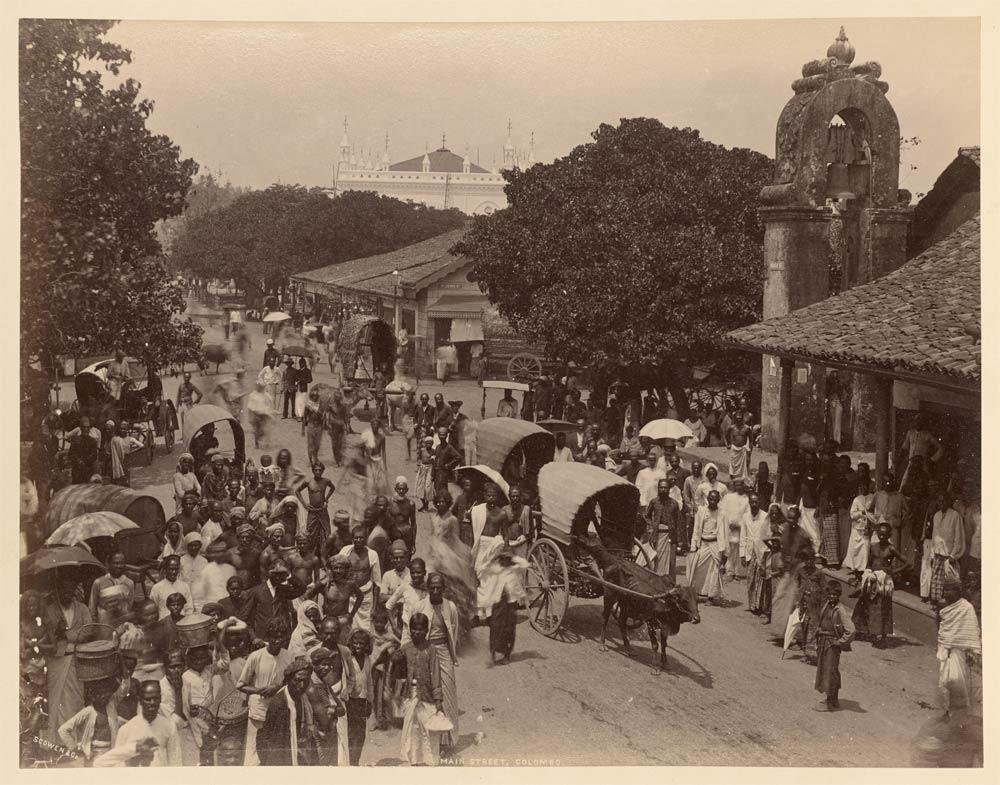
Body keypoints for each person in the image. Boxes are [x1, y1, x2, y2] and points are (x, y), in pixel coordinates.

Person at [391, 613, 448, 765]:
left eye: (421, 629)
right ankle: (414, 759)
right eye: (414, 629)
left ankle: (430, 760)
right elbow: (398, 673)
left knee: (428, 727)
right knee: (412, 727)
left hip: (427, 695)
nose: (417, 632)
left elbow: (436, 674)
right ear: (410, 630)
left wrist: (438, 699)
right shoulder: (405, 648)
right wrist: (395, 659)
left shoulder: (431, 649)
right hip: (410, 693)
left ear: (426, 630)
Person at [237, 618, 293, 765]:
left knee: (275, 752)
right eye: (273, 637)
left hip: (279, 712)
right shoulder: (256, 656)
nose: (277, 641)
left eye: (280, 637)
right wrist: (259, 690)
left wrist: (277, 688)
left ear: (285, 638)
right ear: (268, 637)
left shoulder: (289, 656)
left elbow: (292, 683)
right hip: (259, 711)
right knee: (253, 753)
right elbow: (241, 685)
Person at [92, 681, 182, 767]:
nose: (152, 703)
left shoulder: (169, 726)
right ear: (140, 700)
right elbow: (117, 764)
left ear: (160, 699)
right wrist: (135, 748)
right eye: (148, 699)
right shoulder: (126, 730)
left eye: (155, 698)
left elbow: (176, 762)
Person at [852, 522, 908, 648]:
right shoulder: (872, 546)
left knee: (883, 607)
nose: (882, 536)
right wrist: (866, 575)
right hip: (872, 579)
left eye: (885, 534)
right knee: (866, 604)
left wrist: (892, 571)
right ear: (877, 533)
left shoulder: (891, 549)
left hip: (883, 581)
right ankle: (866, 631)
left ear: (889, 535)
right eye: (880, 534)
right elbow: (869, 563)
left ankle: (882, 636)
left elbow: (908, 563)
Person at [256, 657, 318, 766]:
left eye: (306, 681)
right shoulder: (280, 704)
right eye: (297, 680)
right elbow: (275, 742)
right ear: (288, 680)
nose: (302, 685)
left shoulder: (302, 698)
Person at [935, 577, 982, 713]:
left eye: (950, 590)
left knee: (957, 678)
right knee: (945, 679)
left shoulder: (967, 607)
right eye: (945, 590)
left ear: (958, 591)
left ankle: (957, 709)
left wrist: (971, 651)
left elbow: (972, 631)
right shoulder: (942, 604)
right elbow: (939, 622)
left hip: (960, 650)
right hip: (945, 647)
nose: (946, 593)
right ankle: (947, 709)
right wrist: (945, 638)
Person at [812, 581, 855, 712]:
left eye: (835, 594)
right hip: (823, 641)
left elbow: (851, 630)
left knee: (829, 672)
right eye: (830, 594)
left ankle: (828, 701)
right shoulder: (827, 605)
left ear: (839, 595)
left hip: (832, 644)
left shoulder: (840, 610)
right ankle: (834, 699)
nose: (832, 596)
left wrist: (840, 642)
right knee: (829, 670)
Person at [240, 559, 306, 641]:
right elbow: (244, 618)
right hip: (263, 639)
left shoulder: (284, 590)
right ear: (269, 573)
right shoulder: (256, 591)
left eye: (282, 574)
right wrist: (254, 638)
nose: (279, 577)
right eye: (276, 573)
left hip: (282, 637)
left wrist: (289, 575)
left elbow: (302, 589)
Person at [337, 526, 382, 634]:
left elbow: (377, 583)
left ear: (366, 539)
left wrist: (374, 607)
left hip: (365, 596)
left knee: (366, 628)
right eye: (356, 538)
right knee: (347, 626)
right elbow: (336, 570)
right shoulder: (345, 551)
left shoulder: (372, 555)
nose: (358, 540)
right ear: (352, 539)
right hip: (349, 596)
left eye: (361, 538)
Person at [687, 490, 726, 605]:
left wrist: (725, 552)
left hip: (715, 545)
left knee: (714, 572)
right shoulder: (701, 511)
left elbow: (725, 533)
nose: (712, 501)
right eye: (711, 499)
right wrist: (693, 546)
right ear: (707, 499)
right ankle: (696, 593)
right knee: (697, 568)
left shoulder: (722, 514)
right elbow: (696, 529)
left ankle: (711, 596)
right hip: (703, 544)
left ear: (718, 500)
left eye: (715, 499)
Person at [927, 492, 965, 605]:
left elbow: (958, 537)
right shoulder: (936, 515)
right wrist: (932, 554)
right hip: (937, 556)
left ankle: (947, 608)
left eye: (943, 501)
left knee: (949, 585)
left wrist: (953, 555)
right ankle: (937, 607)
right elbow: (934, 536)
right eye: (939, 501)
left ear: (948, 502)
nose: (940, 503)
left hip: (949, 557)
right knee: (936, 585)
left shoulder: (955, 516)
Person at [345, 629, 375, 765]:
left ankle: (356, 760)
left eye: (361, 643)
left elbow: (369, 681)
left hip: (362, 701)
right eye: (355, 643)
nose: (358, 646)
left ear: (366, 645)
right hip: (350, 701)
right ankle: (350, 761)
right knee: (351, 732)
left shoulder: (368, 660)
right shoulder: (349, 659)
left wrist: (370, 701)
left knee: (361, 733)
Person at [385, 557, 430, 644]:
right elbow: (388, 605)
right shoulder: (405, 587)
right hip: (408, 634)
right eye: (413, 572)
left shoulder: (429, 589)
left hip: (425, 634)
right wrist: (394, 627)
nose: (415, 575)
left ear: (424, 572)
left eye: (419, 572)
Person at [643, 478, 682, 577]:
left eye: (665, 488)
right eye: (661, 487)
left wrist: (679, 540)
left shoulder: (674, 503)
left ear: (669, 489)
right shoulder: (654, 502)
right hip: (657, 536)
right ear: (658, 488)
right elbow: (647, 516)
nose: (663, 490)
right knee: (656, 560)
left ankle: (670, 583)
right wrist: (652, 525)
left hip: (670, 536)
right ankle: (656, 581)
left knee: (671, 562)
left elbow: (678, 521)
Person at [89, 551, 135, 623]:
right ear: (109, 564)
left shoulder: (129, 583)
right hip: (103, 623)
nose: (119, 566)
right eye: (116, 563)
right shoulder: (99, 582)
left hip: (122, 624)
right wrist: (94, 624)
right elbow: (92, 607)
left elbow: (129, 605)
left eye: (122, 563)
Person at [719, 477, 750, 580]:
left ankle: (737, 572)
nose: (739, 487)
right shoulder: (728, 497)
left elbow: (747, 514)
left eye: (741, 485)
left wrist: (739, 525)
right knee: (729, 549)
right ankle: (729, 571)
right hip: (728, 527)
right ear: (734, 486)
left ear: (743, 486)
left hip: (740, 528)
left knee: (738, 549)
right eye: (737, 485)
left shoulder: (746, 499)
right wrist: (727, 523)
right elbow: (722, 510)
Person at [149, 555, 194, 620]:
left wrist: (186, 621)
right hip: (163, 623)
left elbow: (189, 608)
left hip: (182, 622)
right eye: (171, 569)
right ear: (165, 569)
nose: (174, 572)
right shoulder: (156, 588)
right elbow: (153, 610)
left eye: (176, 569)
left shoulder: (185, 586)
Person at [109, 421, 143, 487]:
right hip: (117, 460)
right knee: (119, 478)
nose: (122, 430)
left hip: (126, 460)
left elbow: (141, 445)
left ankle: (127, 487)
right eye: (121, 429)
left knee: (126, 476)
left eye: (124, 429)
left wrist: (132, 452)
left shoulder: (130, 439)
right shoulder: (116, 439)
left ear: (127, 429)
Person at [388, 477, 417, 553]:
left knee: (406, 555)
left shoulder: (411, 504)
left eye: (403, 489)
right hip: (393, 533)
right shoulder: (390, 502)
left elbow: (413, 523)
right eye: (399, 489)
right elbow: (387, 521)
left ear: (407, 490)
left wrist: (413, 542)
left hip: (407, 534)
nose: (401, 491)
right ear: (395, 489)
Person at [432, 426, 462, 496]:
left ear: (446, 435)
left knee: (443, 492)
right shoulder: (438, 447)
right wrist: (432, 474)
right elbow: (435, 461)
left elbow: (458, 457)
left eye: (443, 435)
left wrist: (448, 465)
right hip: (437, 473)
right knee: (436, 491)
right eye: (440, 434)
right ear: (438, 435)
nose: (441, 437)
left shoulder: (449, 447)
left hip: (444, 473)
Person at [725, 411, 753, 481]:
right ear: (735, 419)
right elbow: (726, 435)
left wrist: (749, 452)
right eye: (737, 418)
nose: (739, 420)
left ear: (742, 418)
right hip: (734, 449)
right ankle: (732, 479)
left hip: (743, 449)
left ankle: (742, 479)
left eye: (740, 418)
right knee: (733, 464)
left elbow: (751, 440)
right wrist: (728, 444)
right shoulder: (732, 428)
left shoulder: (747, 428)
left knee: (744, 466)